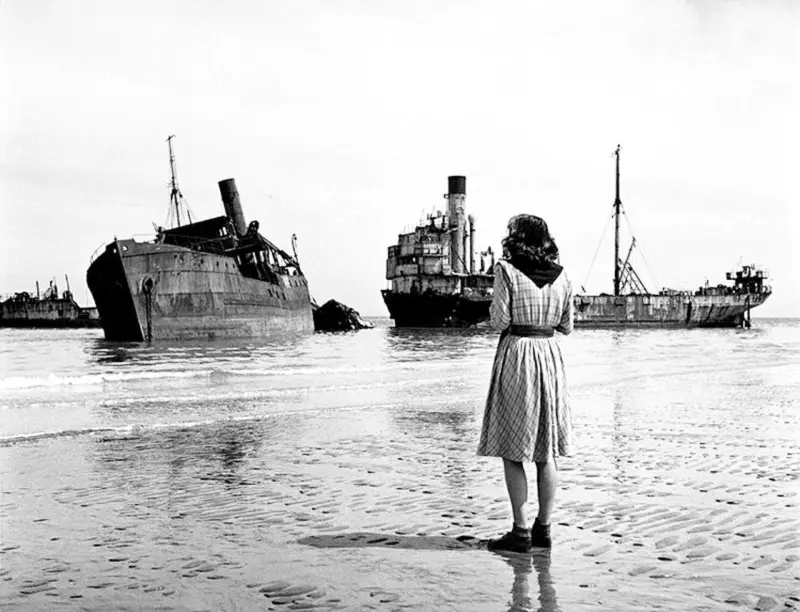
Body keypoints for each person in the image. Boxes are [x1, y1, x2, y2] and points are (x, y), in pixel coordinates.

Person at [477, 214, 573, 553]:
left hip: (518, 354)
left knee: (513, 448)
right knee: (546, 452)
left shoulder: (506, 270)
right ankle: (543, 529)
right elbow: (567, 325)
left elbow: (499, 320)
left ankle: (519, 531)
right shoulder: (562, 276)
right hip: (548, 356)